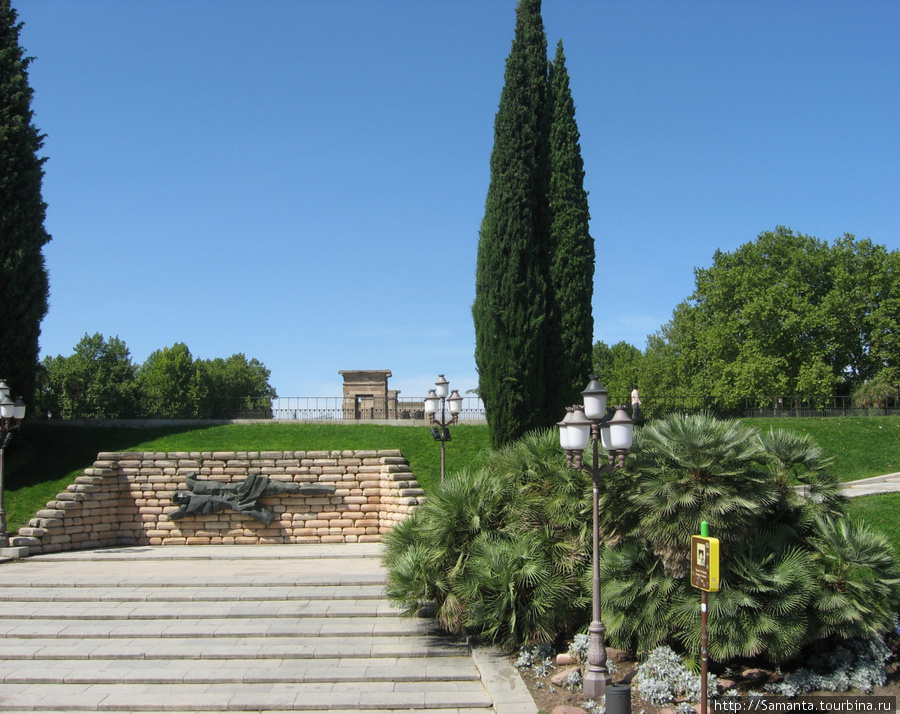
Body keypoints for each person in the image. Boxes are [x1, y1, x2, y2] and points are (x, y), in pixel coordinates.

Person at [168, 472, 335, 526]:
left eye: (179, 494)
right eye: (178, 498)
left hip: (245, 488)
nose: (181, 496)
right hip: (241, 502)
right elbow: (175, 515)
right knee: (290, 489)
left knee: (290, 488)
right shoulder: (189, 507)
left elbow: (191, 479)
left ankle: (326, 489)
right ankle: (325, 490)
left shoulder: (195, 486)